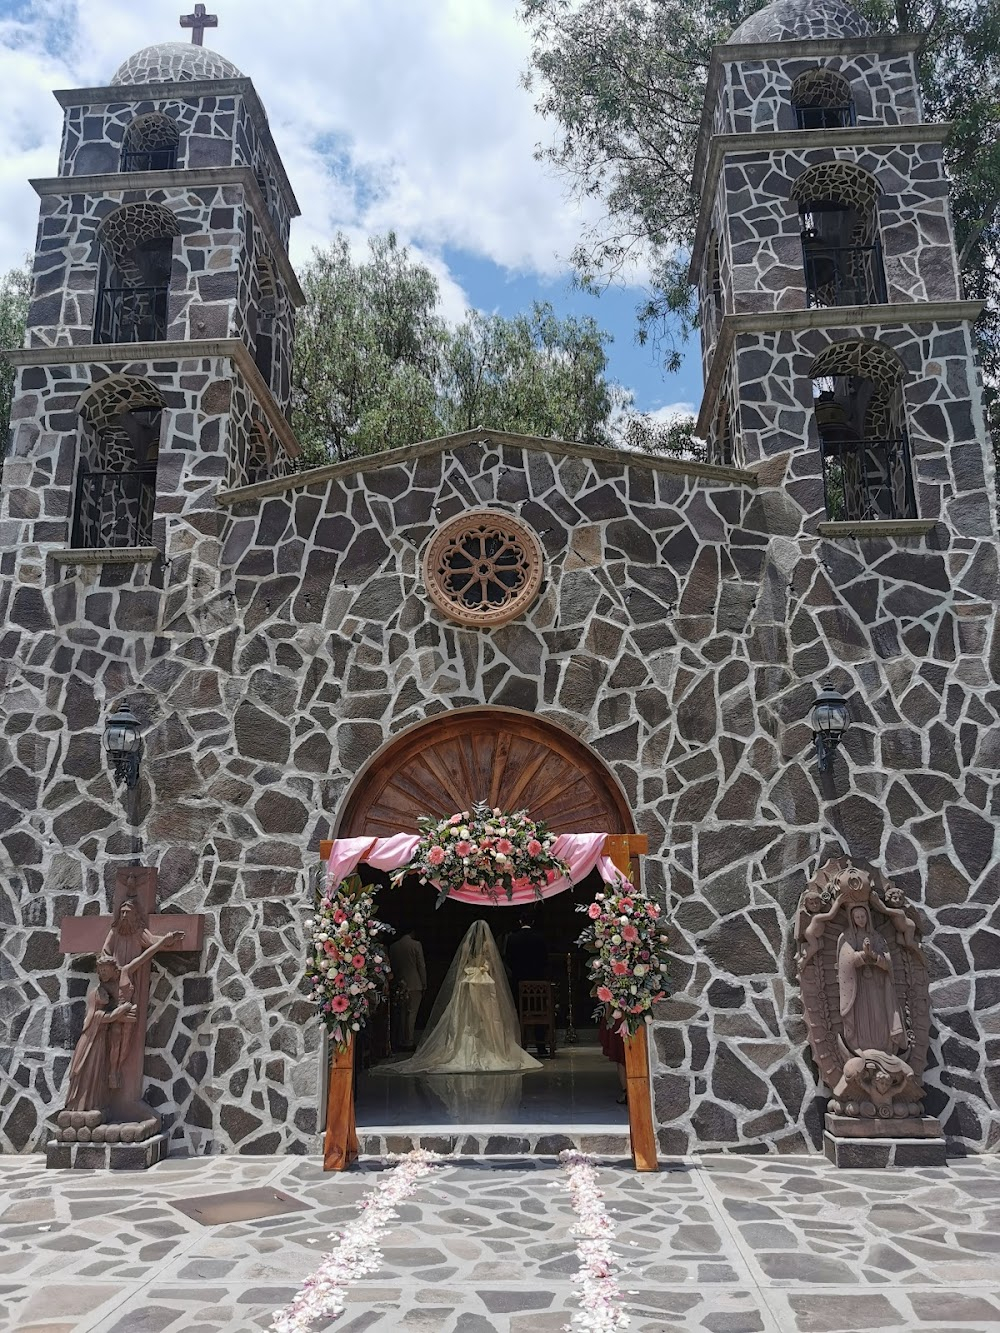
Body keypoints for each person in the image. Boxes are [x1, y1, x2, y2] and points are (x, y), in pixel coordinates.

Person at [389, 920, 541, 1074]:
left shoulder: (467, 946)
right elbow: (493, 966)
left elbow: (461, 967)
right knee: (488, 1016)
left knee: (466, 1016)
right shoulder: (488, 945)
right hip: (484, 981)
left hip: (467, 981)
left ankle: (459, 1046)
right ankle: (490, 1046)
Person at [837, 903, 906, 1054]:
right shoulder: (847, 937)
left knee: (878, 1015)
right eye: (857, 917)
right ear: (852, 919)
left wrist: (873, 955)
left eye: (863, 916)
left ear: (868, 916)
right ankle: (863, 1047)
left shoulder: (877, 937)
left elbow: (888, 963)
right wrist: (863, 954)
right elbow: (844, 962)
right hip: (858, 987)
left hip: (877, 984)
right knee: (863, 1018)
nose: (861, 920)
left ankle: (883, 1047)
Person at [505, 912, 550, 1056]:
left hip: (519, 981)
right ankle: (541, 1047)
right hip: (538, 983)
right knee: (539, 1011)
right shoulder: (540, 937)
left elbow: (508, 959)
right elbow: (545, 959)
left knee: (518, 1012)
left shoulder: (512, 938)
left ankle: (519, 1044)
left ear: (519, 921)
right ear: (533, 921)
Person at [389, 928, 426, 1051]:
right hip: (415, 983)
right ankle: (408, 1041)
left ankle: (401, 1039)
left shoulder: (394, 947)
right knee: (412, 1013)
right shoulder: (416, 945)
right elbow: (421, 965)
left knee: (402, 1013)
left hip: (400, 983)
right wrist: (424, 983)